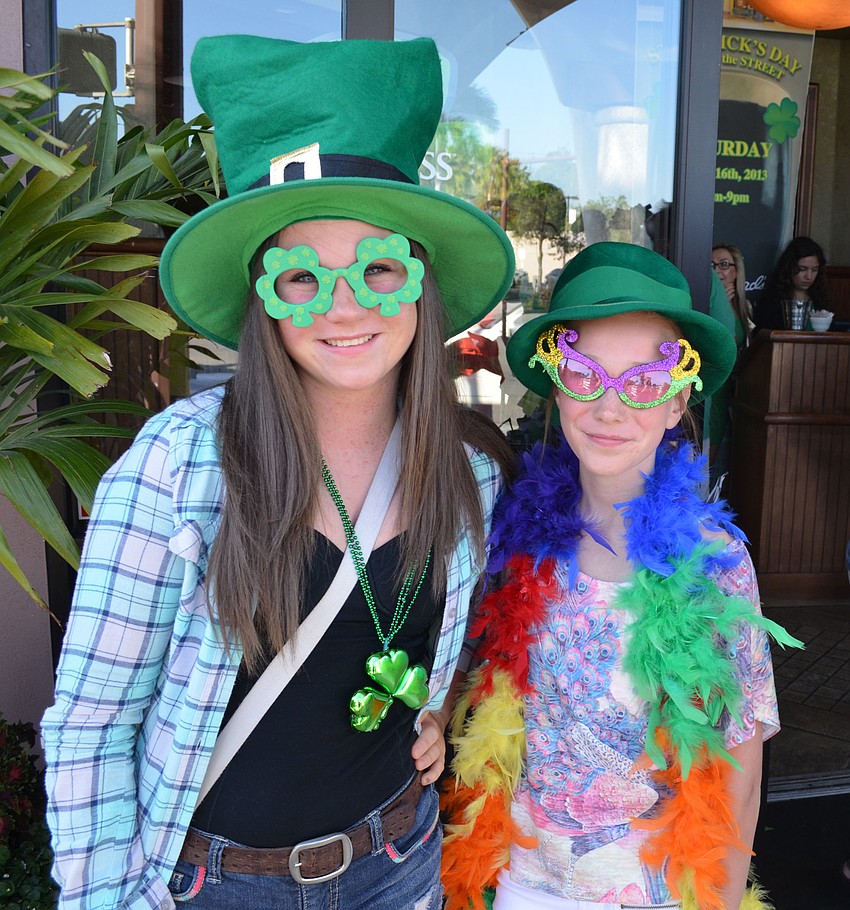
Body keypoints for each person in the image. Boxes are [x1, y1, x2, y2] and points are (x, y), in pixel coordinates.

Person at [41, 35, 516, 910]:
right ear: (263, 295)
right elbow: (91, 726)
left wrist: (435, 713)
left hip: (400, 862)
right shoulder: (179, 467)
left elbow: (425, 646)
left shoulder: (467, 470)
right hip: (218, 887)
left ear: (424, 288)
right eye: (304, 277)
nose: (345, 306)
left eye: (379, 268)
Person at [440, 243, 802, 910]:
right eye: (585, 375)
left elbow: (740, 768)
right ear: (556, 387)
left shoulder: (713, 561)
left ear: (675, 406)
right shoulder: (513, 539)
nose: (610, 408)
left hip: (659, 891)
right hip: (521, 886)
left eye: (643, 383)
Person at [707, 243, 753, 489]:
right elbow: (721, 349)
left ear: (737, 270)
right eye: (713, 265)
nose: (718, 271)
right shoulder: (711, 304)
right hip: (715, 396)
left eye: (724, 264)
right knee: (708, 470)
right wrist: (720, 305)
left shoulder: (746, 308)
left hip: (739, 402)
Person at [754, 236, 828, 331]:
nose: (809, 276)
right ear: (789, 267)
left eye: (814, 270)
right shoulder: (771, 301)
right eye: (802, 269)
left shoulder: (819, 300)